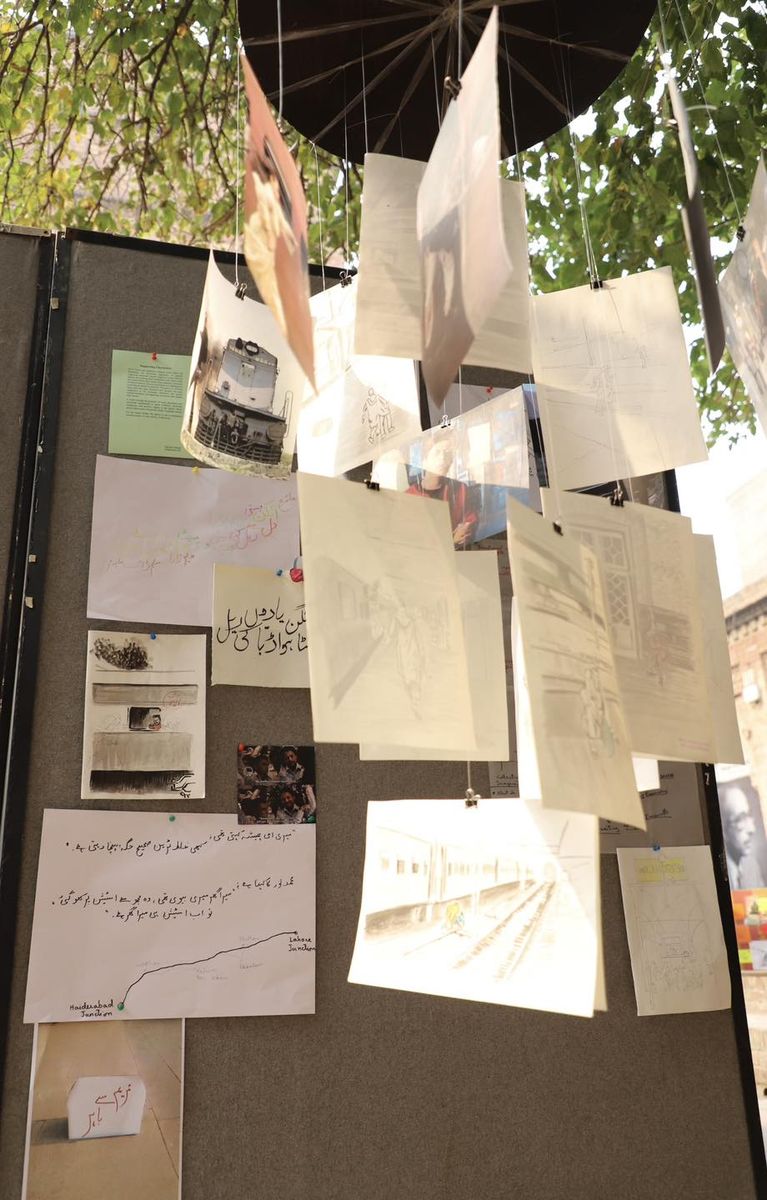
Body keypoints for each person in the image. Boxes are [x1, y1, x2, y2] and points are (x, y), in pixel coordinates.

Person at [406, 440, 478, 547]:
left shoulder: (461, 489)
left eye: (447, 454)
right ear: (424, 461)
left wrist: (466, 529)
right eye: (437, 453)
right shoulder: (408, 497)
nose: (443, 459)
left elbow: (470, 518)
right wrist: (451, 541)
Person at [721, 784, 766, 888]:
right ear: (723, 830)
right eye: (740, 819)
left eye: (749, 815)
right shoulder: (714, 871)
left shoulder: (752, 867)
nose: (752, 829)